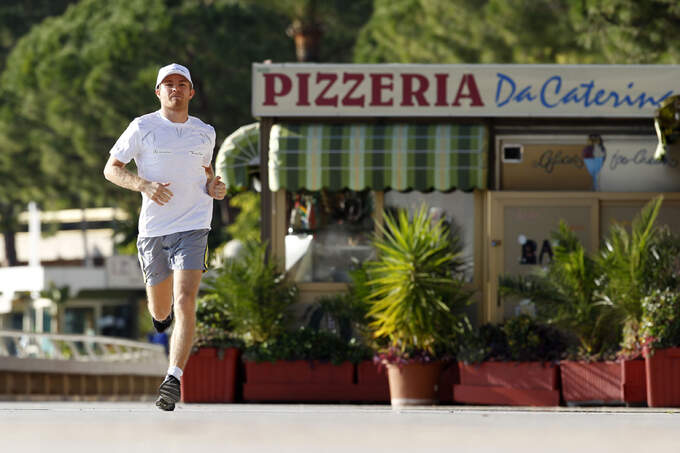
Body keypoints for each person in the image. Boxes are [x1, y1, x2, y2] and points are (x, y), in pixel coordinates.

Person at [103, 63, 226, 411]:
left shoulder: (205, 132)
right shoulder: (142, 127)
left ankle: (173, 378)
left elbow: (207, 176)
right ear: (158, 92)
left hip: (194, 225)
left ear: (191, 92)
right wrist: (143, 184)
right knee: (161, 308)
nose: (175, 89)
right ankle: (161, 319)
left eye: (181, 84)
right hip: (154, 230)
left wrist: (215, 188)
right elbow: (111, 169)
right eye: (168, 84)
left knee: (186, 298)